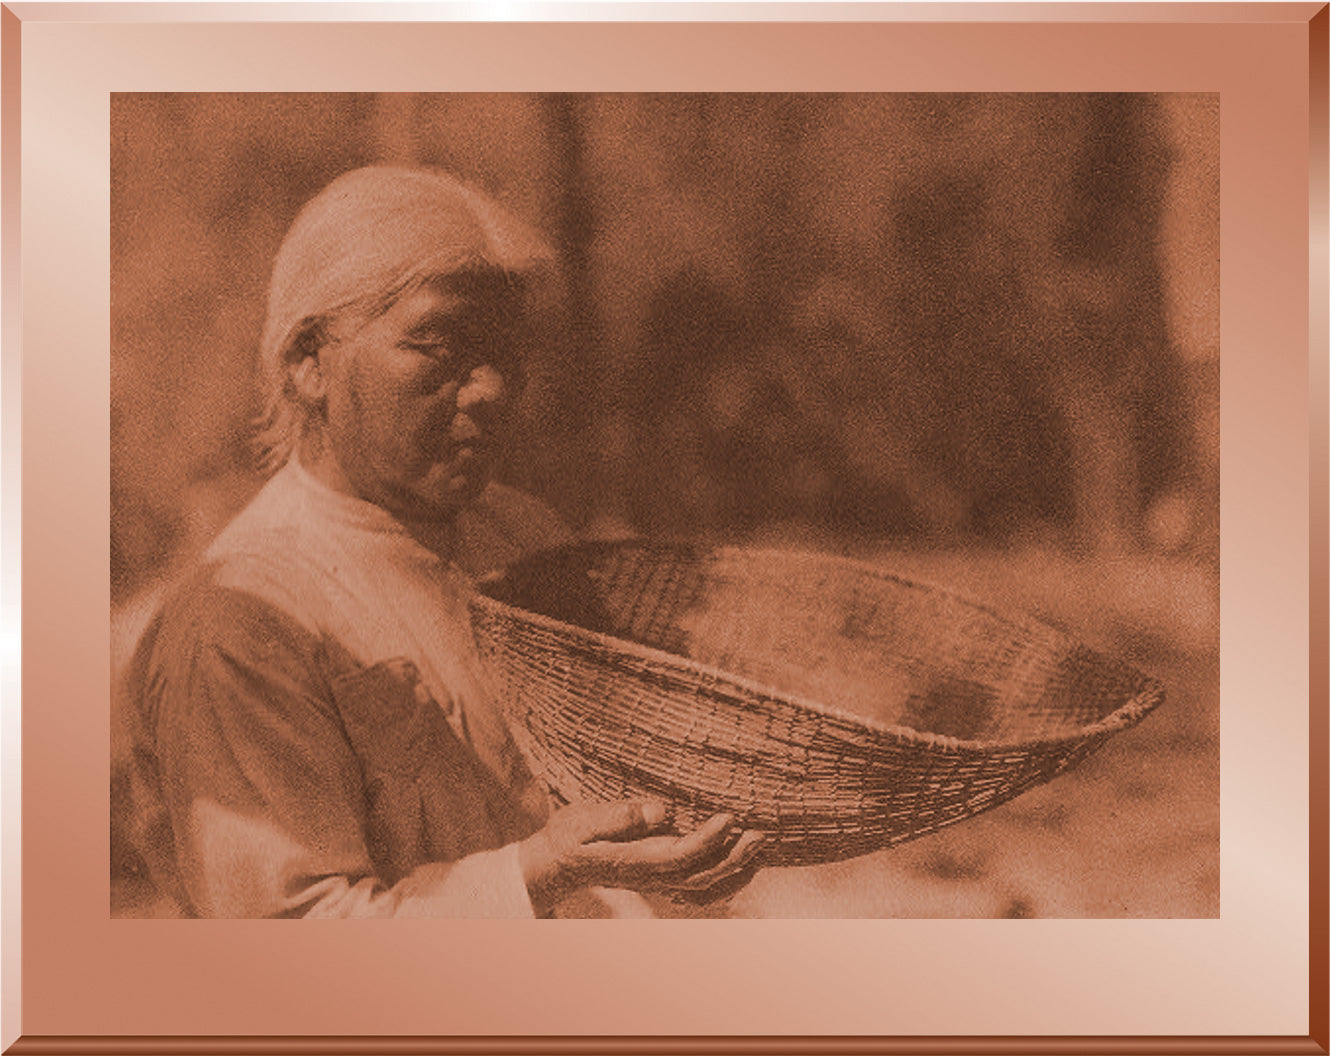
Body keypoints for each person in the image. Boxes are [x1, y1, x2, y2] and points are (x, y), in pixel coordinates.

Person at [118, 166, 763, 918]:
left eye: (505, 351)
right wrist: (538, 870)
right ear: (308, 363)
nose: (491, 388)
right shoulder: (245, 624)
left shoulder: (521, 533)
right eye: (437, 345)